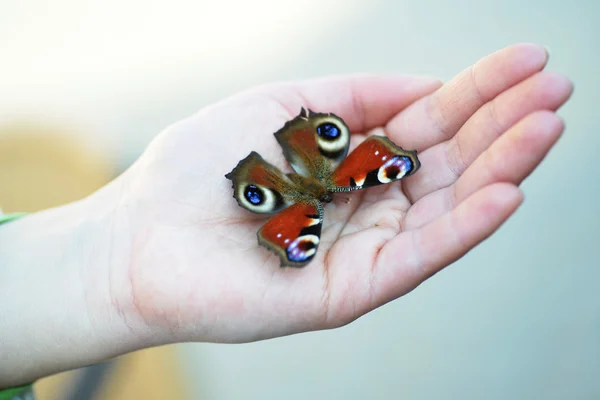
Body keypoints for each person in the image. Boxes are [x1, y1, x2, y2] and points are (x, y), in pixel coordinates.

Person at [0, 43, 573, 395]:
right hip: (316, 182)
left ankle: (294, 168)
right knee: (351, 179)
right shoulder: (332, 194)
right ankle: (323, 156)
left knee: (321, 197)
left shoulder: (307, 210)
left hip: (285, 189)